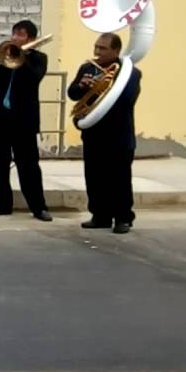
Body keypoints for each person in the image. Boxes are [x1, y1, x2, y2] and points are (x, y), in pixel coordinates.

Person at [0, 20, 52, 222]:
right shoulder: (3, 55)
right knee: (1, 165)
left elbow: (35, 77)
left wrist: (22, 57)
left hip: (23, 121)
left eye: (21, 35)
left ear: (31, 39)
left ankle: (38, 207)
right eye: (14, 34)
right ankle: (2, 205)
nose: (16, 38)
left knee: (28, 166)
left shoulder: (39, 58)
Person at [68, 32, 142, 234]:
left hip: (118, 135)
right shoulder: (87, 68)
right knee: (94, 177)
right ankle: (100, 216)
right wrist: (83, 86)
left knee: (119, 180)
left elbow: (125, 101)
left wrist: (101, 89)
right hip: (93, 134)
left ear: (116, 51)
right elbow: (72, 93)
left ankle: (123, 218)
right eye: (96, 47)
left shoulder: (130, 73)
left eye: (103, 48)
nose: (97, 52)